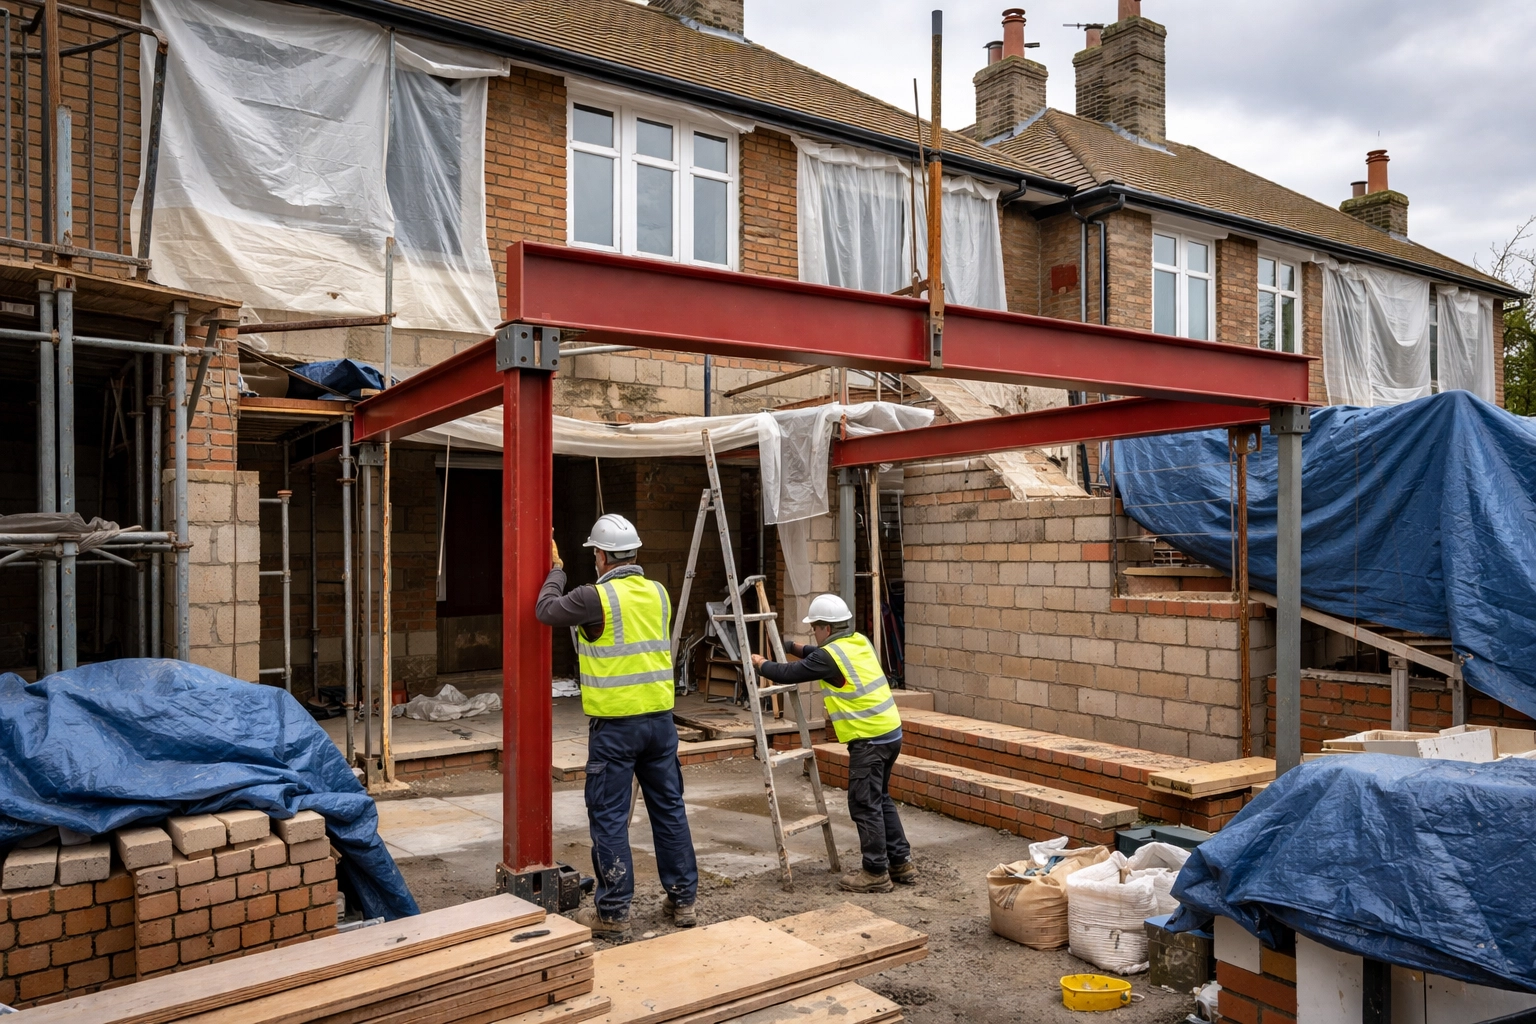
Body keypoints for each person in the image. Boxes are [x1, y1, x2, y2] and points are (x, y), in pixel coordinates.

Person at [536, 514, 699, 937]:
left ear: (602, 556)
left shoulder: (596, 598)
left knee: (609, 817)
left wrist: (556, 571)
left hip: (616, 727)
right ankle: (682, 901)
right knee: (670, 811)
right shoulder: (658, 593)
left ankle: (612, 912)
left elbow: (546, 611)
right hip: (660, 724)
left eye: (595, 554)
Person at [751, 594, 914, 893]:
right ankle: (900, 862)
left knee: (865, 804)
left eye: (815, 627)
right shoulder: (859, 642)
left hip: (869, 740)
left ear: (826, 628)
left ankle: (875, 872)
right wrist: (790, 646)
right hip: (890, 734)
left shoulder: (828, 658)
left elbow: (789, 672)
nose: (814, 633)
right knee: (881, 799)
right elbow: (815, 653)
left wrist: (761, 664)